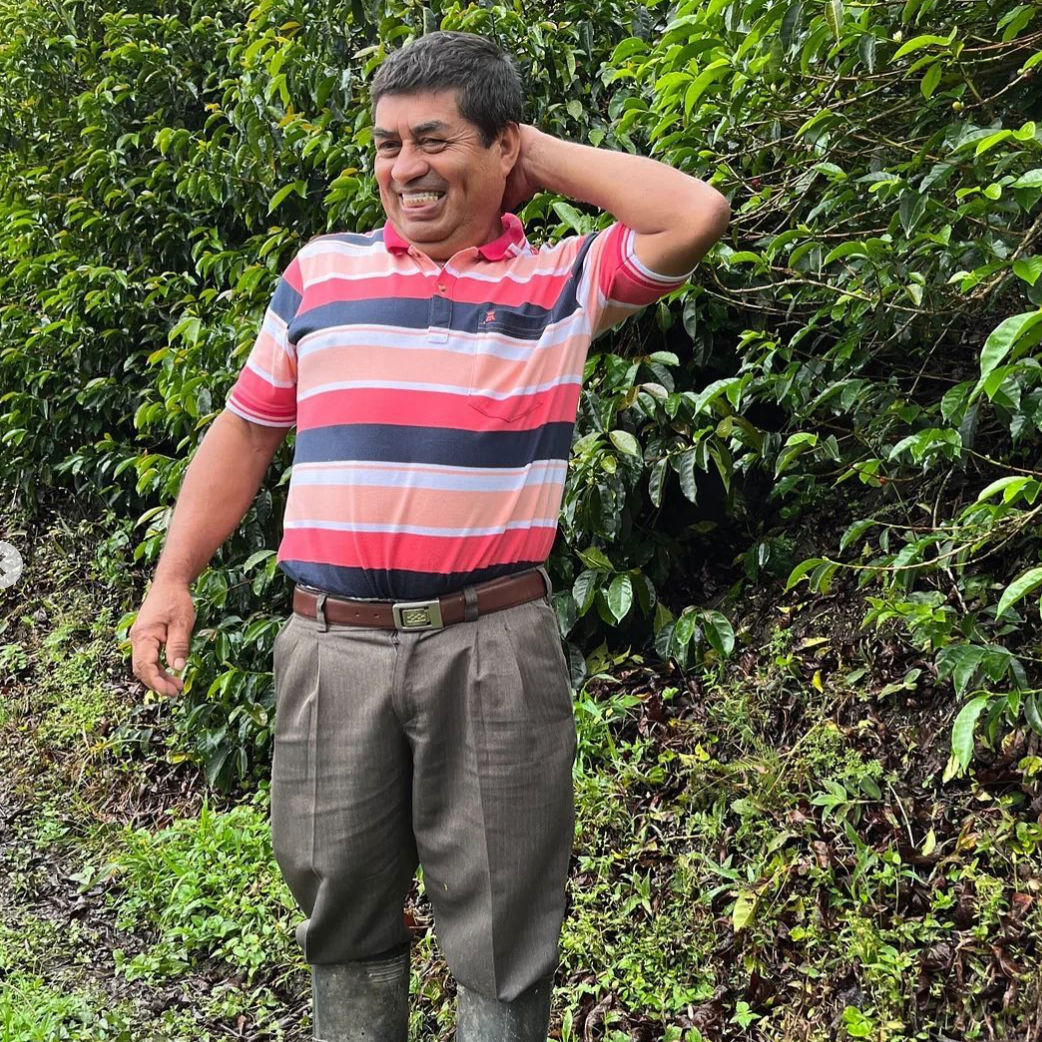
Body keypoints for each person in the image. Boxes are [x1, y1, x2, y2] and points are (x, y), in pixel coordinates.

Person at [129, 29, 729, 1042]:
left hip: (492, 646)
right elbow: (246, 431)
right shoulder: (321, 274)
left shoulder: (563, 282)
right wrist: (173, 575)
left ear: (503, 147)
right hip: (332, 648)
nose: (404, 167)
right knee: (342, 913)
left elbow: (694, 213)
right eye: (387, 144)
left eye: (435, 140)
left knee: (503, 925)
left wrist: (532, 152)